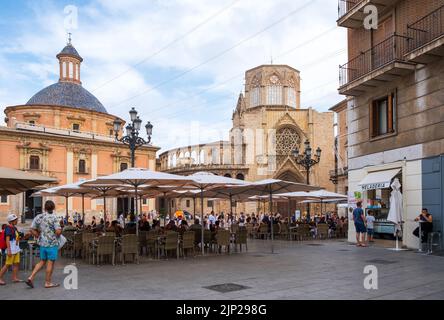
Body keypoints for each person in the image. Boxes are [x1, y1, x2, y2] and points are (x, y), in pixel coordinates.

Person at [26, 200, 62, 289]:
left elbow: (31, 229)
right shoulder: (54, 217)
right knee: (50, 263)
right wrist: (59, 232)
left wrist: (38, 236)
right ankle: (48, 282)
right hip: (52, 244)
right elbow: (58, 232)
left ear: (44, 208)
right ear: (53, 207)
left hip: (42, 243)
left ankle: (31, 277)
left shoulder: (39, 217)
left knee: (42, 261)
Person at [0, 214, 22, 285]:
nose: (17, 221)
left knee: (16, 263)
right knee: (7, 264)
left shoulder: (14, 228)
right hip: (11, 249)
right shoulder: (8, 228)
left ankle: (14, 278)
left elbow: (17, 238)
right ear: (11, 221)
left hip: (16, 248)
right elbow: (7, 240)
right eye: (16, 220)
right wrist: (9, 250)